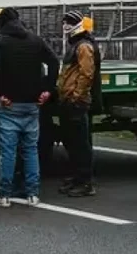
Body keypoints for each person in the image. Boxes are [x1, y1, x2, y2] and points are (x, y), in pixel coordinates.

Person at [0, 8, 59, 208]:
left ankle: (4, 194)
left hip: (8, 104)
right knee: (30, 150)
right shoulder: (35, 40)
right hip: (32, 104)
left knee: (8, 151)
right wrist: (48, 89)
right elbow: (53, 61)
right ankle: (33, 194)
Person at [57, 11, 99, 197]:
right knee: (72, 142)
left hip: (76, 102)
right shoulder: (74, 44)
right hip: (68, 99)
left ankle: (85, 182)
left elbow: (86, 74)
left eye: (69, 22)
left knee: (80, 144)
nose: (66, 25)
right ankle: (76, 177)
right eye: (65, 22)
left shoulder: (83, 46)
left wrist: (76, 96)